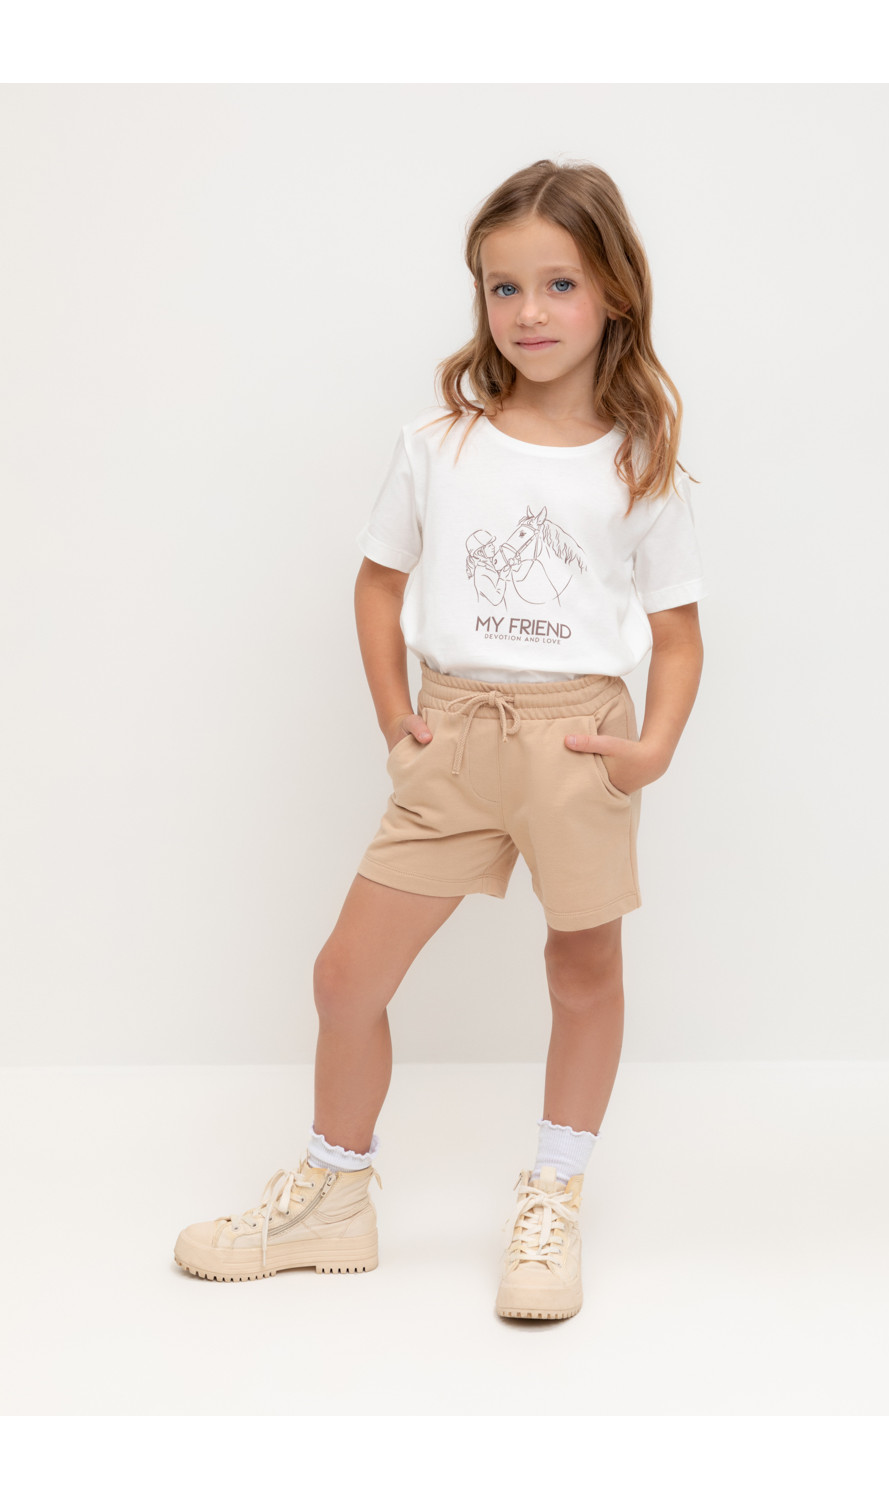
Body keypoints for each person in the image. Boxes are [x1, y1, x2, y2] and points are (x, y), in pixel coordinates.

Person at [174, 157, 707, 1322]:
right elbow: (378, 584)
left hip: (576, 742)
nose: (528, 312)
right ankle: (333, 1194)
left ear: (613, 291)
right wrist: (394, 715)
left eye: (558, 284)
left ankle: (551, 1199)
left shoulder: (638, 459)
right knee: (345, 975)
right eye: (503, 287)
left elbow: (676, 634)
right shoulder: (438, 443)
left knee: (582, 971)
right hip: (452, 733)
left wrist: (654, 747)